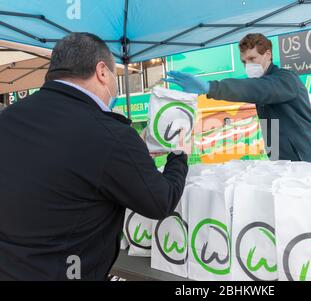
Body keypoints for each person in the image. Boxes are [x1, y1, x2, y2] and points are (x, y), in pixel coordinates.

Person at [0, 33, 189, 280]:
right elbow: (160, 201)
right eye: (114, 76)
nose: (113, 85)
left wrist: (133, 150)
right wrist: (179, 154)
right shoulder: (110, 133)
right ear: (102, 72)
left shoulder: (8, 118)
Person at [164, 33, 311, 162]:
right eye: (244, 62)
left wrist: (210, 87)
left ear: (268, 55)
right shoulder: (261, 84)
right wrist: (274, 160)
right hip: (287, 166)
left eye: (252, 59)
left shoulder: (285, 79)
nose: (248, 66)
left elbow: (256, 89)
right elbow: (272, 128)